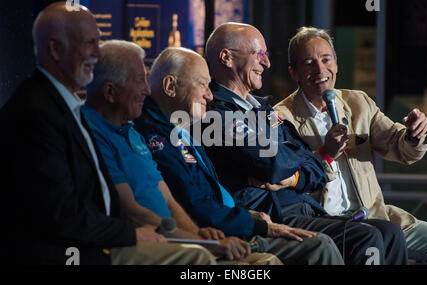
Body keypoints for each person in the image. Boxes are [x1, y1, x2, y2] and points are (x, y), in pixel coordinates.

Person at [0, 2, 216, 265]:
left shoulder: (64, 107)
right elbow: (59, 214)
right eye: (89, 43)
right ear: (56, 48)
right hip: (72, 252)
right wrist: (132, 234)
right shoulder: (36, 112)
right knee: (197, 259)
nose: (96, 54)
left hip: (101, 238)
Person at [202, 22, 409, 265]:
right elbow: (274, 164)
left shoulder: (263, 108)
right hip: (275, 214)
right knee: (366, 237)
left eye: (266, 56)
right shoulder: (216, 114)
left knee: (390, 233)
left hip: (303, 209)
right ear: (227, 58)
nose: (267, 63)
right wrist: (298, 157)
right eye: (259, 55)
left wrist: (298, 162)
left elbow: (313, 169)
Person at [134, 46, 345, 265]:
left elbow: (302, 159)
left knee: (368, 232)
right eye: (203, 85)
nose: (209, 94)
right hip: (223, 229)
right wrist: (252, 222)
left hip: (245, 217)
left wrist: (249, 212)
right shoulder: (200, 121)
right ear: (170, 86)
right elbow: (272, 165)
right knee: (321, 245)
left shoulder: (258, 109)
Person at [82, 39, 282, 265]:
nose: (146, 90)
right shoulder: (94, 132)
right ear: (110, 91)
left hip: (182, 235)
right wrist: (204, 241)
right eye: (139, 81)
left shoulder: (131, 131)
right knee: (211, 258)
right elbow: (132, 211)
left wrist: (200, 236)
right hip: (142, 240)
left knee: (264, 261)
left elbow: (169, 201)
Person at [273, 26, 427, 265]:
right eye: (309, 63)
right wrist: (325, 153)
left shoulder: (358, 102)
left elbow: (399, 147)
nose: (320, 70)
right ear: (294, 72)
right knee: (373, 243)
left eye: (326, 60)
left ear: (336, 62)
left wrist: (414, 134)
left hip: (377, 215)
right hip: (328, 225)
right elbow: (284, 177)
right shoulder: (282, 118)